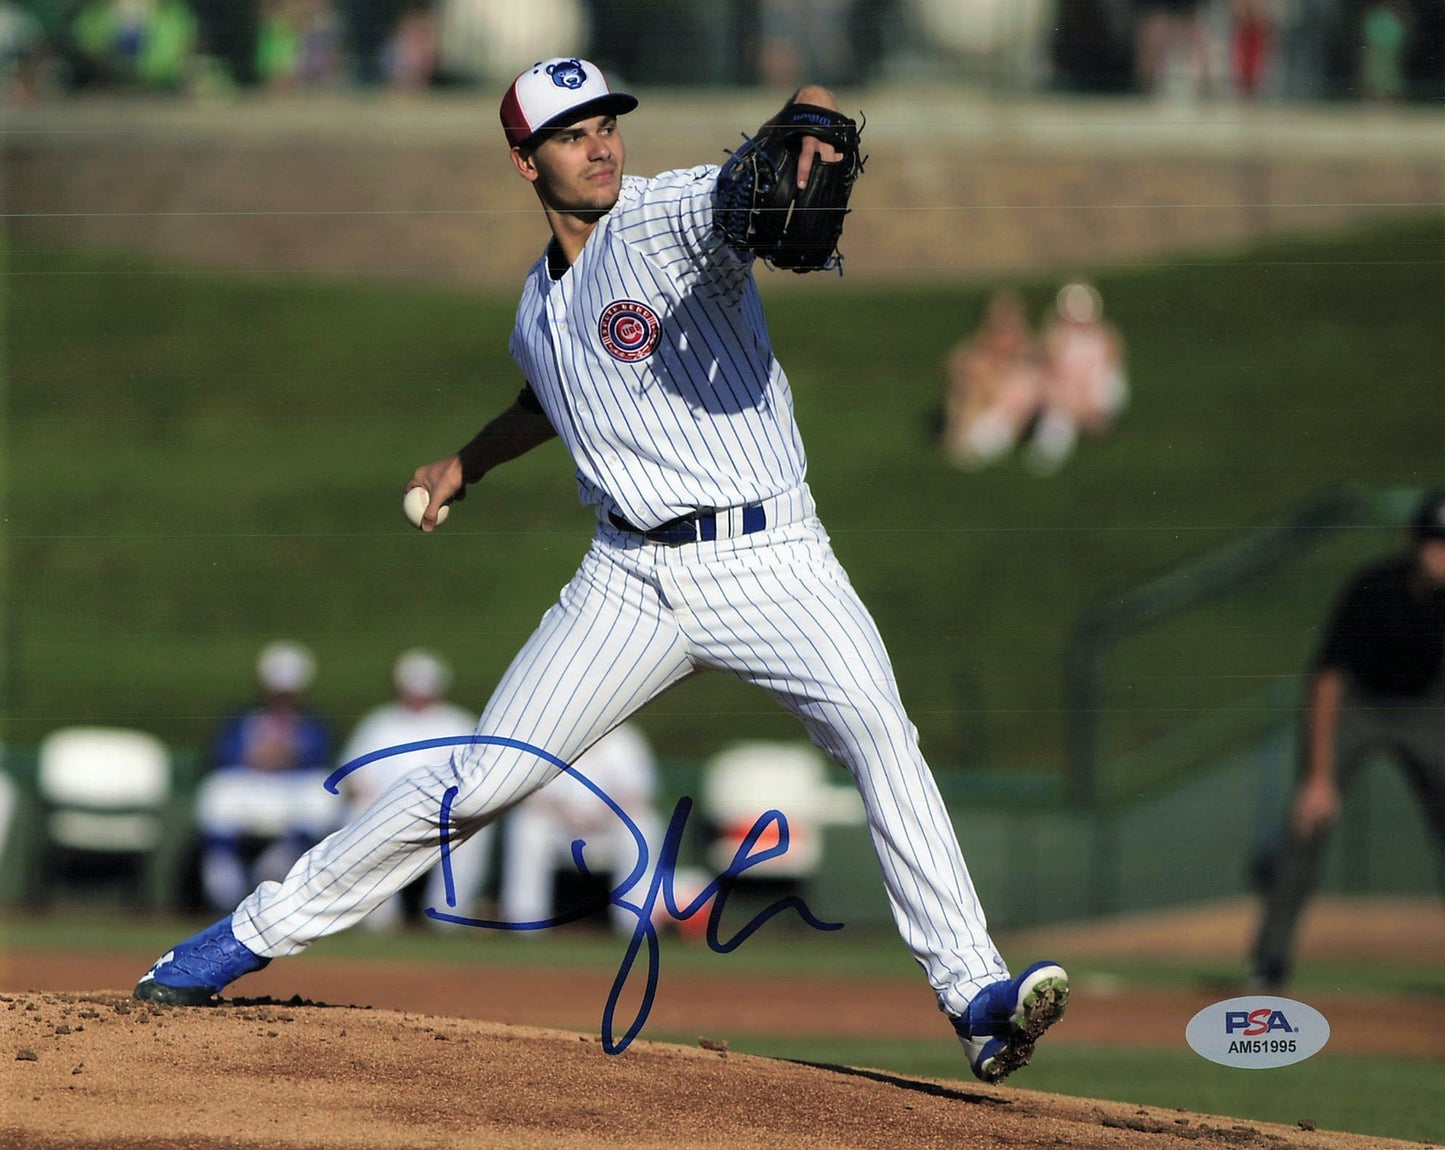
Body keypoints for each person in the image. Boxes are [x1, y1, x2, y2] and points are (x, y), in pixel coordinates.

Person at [133, 57, 1069, 1084]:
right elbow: (548, 394)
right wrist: (463, 462)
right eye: (572, 132)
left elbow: (755, 175)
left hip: (770, 557)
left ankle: (975, 996)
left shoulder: (667, 214)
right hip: (626, 579)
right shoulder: (534, 307)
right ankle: (237, 941)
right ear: (523, 161)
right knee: (480, 780)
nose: (600, 144)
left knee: (881, 737)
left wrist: (805, 114)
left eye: (607, 123)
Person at [1249, 491, 1445, 988]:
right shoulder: (1373, 589)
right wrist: (1318, 776)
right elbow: (1328, 678)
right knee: (1309, 822)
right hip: (1357, 704)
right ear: (1414, 545)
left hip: (1424, 707)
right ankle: (1269, 960)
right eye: (1434, 544)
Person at [338, 649, 489, 929]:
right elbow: (352, 778)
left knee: (477, 822)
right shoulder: (380, 723)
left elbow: (478, 777)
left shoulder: (459, 723)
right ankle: (376, 915)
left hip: (446, 814)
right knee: (358, 811)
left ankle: (448, 914)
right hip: (386, 811)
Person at [192, 640, 342, 912]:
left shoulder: (313, 723)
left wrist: (287, 755)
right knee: (217, 790)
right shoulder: (243, 718)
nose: (282, 699)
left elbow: (320, 756)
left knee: (322, 795)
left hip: (291, 788)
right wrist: (253, 756)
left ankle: (280, 861)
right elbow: (221, 755)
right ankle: (223, 876)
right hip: (252, 785)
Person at [499, 721, 662, 935]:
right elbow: (530, 796)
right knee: (528, 826)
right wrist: (568, 816)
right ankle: (524, 918)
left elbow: (640, 797)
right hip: (560, 829)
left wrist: (602, 816)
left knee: (644, 825)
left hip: (608, 829)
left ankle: (634, 920)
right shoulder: (548, 738)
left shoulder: (624, 740)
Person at [1026, 281, 1128, 475]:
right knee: (1059, 408)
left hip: (1093, 392)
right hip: (1067, 395)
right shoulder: (1058, 336)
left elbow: (1112, 366)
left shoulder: (1104, 334)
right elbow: (1052, 365)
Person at [940, 288, 1046, 471]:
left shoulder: (1028, 354)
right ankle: (964, 444)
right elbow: (956, 367)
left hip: (1003, 421)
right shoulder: (976, 351)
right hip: (977, 417)